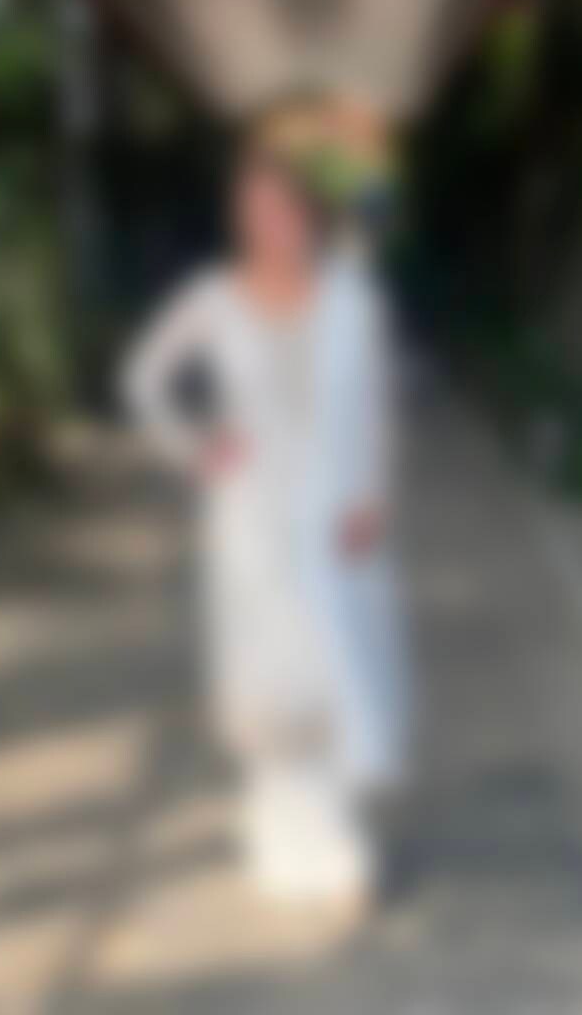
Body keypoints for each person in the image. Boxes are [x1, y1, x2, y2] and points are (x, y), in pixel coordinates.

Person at [122, 125, 408, 910]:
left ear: (308, 214)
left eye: (283, 207)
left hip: (334, 511)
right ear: (240, 220)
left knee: (337, 671)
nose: (271, 223)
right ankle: (279, 834)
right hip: (249, 519)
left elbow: (377, 405)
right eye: (255, 211)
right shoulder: (214, 299)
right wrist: (196, 446)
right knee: (267, 682)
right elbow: (144, 378)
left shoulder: (351, 300)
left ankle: (339, 840)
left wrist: (373, 498)